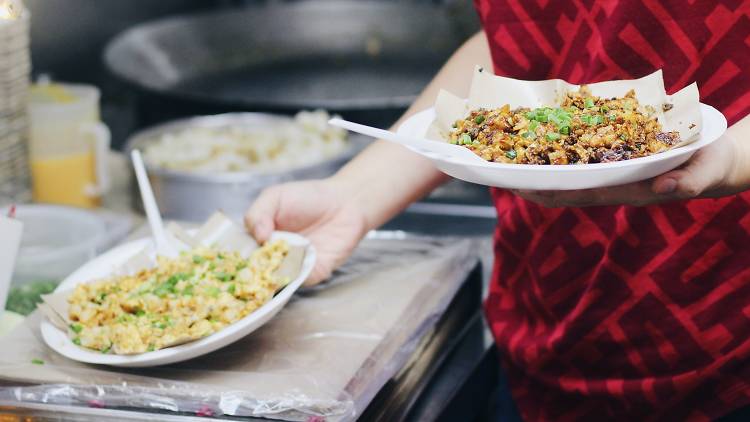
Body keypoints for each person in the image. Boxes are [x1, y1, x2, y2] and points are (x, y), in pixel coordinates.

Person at [245, 1, 750, 420]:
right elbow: (514, 40)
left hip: (722, 345)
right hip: (542, 327)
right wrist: (353, 196)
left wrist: (730, 157)